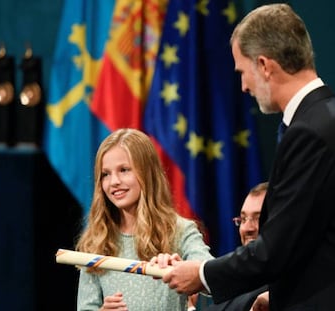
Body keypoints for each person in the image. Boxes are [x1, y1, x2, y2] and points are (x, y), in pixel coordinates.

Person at [153, 3, 335, 310]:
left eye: (242, 72)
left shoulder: (309, 132)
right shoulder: (323, 118)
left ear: (264, 65)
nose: (244, 86)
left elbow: (276, 248)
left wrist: (201, 274)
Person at [75, 128, 213, 311]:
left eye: (124, 170)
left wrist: (181, 267)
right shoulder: (97, 240)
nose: (114, 181)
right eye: (105, 174)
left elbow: (211, 277)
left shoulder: (180, 230)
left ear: (147, 174)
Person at [203, 182, 269, 311]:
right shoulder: (239, 282)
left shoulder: (280, 289)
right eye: (243, 219)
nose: (247, 229)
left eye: (258, 218)